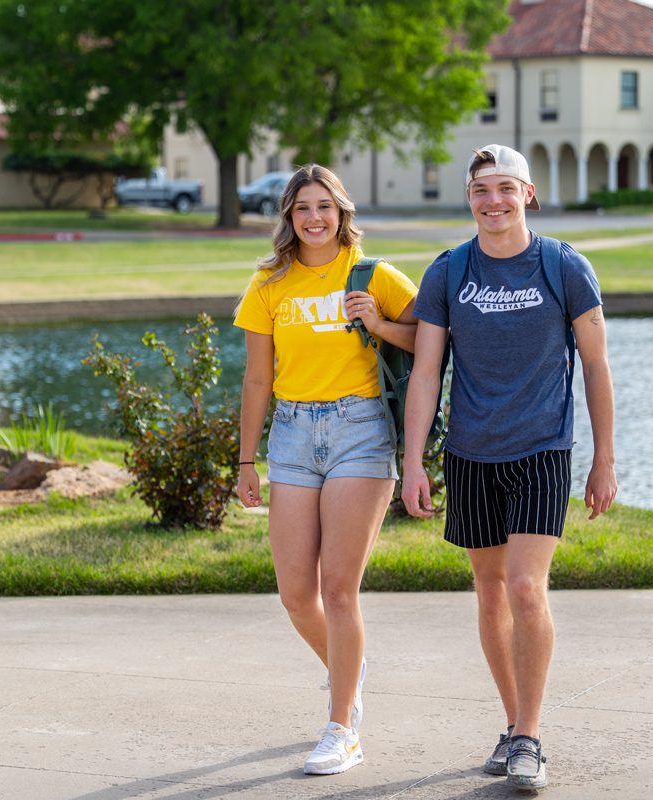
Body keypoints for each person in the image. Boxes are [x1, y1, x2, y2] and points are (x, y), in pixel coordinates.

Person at [401, 144, 617, 790]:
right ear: (469, 200)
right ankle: (512, 723)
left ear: (527, 194)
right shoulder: (448, 272)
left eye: (504, 188)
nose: (492, 201)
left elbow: (598, 366)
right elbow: (426, 372)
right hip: (470, 451)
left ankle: (529, 736)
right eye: (480, 190)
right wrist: (414, 460)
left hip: (543, 448)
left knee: (526, 588)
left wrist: (604, 458)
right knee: (491, 591)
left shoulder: (562, 267)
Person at [234, 164, 418, 776]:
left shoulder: (372, 274)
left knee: (338, 588)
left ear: (342, 213)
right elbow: (258, 377)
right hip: (290, 433)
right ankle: (350, 668)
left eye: (325, 207)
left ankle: (343, 728)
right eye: (302, 208)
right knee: (294, 593)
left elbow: (433, 338)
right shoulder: (268, 284)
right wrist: (245, 459)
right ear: (288, 216)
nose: (315, 218)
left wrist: (379, 322)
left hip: (360, 431)